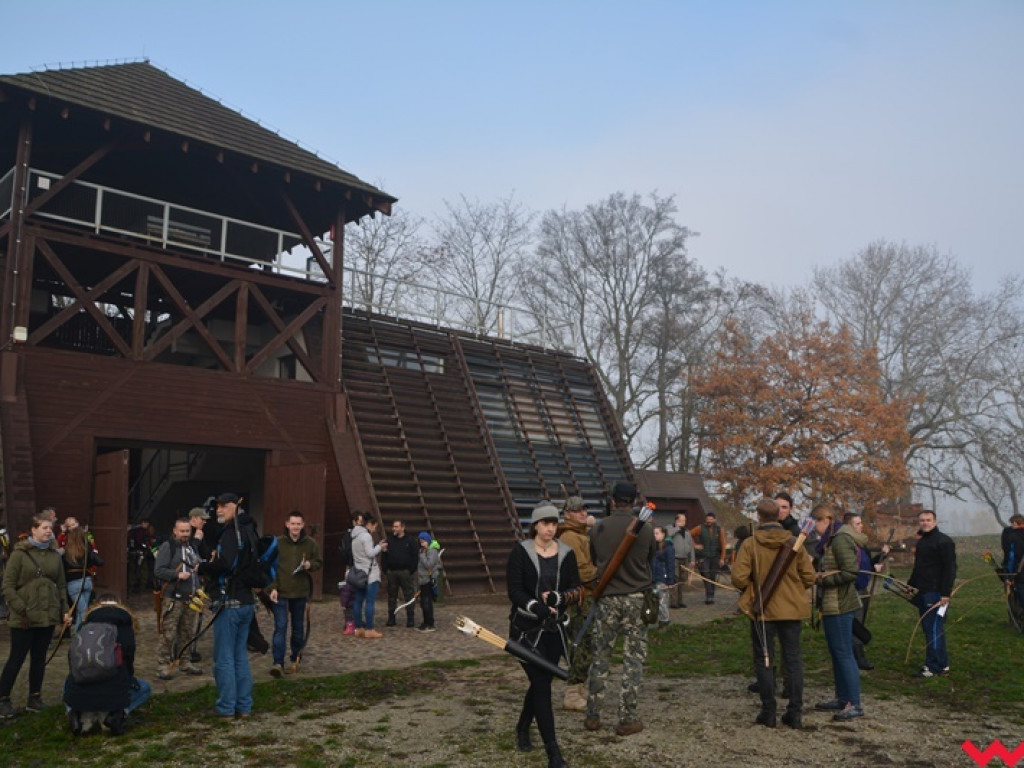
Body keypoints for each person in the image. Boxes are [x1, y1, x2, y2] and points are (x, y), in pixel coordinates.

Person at [732, 498, 816, 729]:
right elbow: (810, 577)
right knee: (794, 661)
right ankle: (794, 713)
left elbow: (738, 578)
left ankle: (768, 712)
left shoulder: (749, 544)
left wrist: (754, 588)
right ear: (778, 516)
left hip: (763, 611)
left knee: (764, 661)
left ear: (758, 517)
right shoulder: (795, 542)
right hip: (791, 610)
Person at [508, 503, 580, 768]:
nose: (551, 528)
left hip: (554, 630)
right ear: (535, 525)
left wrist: (560, 598)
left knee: (542, 681)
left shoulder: (567, 553)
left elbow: (576, 588)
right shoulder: (521, 552)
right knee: (541, 683)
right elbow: (514, 591)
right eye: (546, 523)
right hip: (526, 630)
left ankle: (523, 725)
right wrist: (536, 606)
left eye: (554, 523)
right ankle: (553, 753)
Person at [584, 482, 655, 737]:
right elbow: (650, 558)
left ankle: (592, 715)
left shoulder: (598, 528)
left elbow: (594, 560)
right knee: (633, 659)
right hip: (636, 598)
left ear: (613, 500)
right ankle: (627, 717)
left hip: (607, 598)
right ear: (634, 501)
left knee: (600, 656)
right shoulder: (645, 529)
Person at [0, 513, 70, 719]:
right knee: (16, 658)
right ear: (33, 530)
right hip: (24, 618)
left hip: (47, 615)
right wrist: (21, 607)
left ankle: (35, 698)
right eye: (44, 527)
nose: (49, 531)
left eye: (50, 528)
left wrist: (64, 609)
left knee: (39, 659)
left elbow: (61, 585)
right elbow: (8, 586)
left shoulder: (55, 555)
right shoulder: (19, 554)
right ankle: (3, 699)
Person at [195, 492, 256, 719]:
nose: (219, 510)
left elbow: (227, 564)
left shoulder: (232, 533)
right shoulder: (249, 531)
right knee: (239, 656)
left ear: (236, 506)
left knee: (224, 659)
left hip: (229, 603)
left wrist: (203, 567)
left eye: (224, 506)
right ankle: (244, 706)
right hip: (246, 602)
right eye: (218, 506)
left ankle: (227, 708)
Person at [63, 594, 151, 735]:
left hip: (81, 685)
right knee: (145, 687)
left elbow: (73, 659)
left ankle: (79, 716)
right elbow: (128, 661)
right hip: (113, 686)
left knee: (67, 682)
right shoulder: (125, 624)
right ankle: (115, 715)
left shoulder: (84, 625)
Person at [814, 505, 866, 721]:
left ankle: (854, 703)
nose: (813, 527)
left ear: (825, 520)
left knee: (844, 653)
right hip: (830, 605)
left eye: (815, 521)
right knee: (837, 653)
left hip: (841, 605)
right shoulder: (831, 540)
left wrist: (823, 579)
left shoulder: (841, 539)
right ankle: (842, 697)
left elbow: (851, 572)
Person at [269, 511, 322, 677]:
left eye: (298, 524)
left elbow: (318, 562)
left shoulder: (310, 543)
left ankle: (295, 658)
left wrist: (309, 565)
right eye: (293, 523)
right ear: (287, 524)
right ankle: (277, 662)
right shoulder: (277, 543)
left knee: (298, 628)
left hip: (300, 592)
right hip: (280, 592)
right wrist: (272, 588)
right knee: (281, 627)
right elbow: (270, 567)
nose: (295, 527)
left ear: (303, 525)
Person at [556, 496, 597, 711]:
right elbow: (582, 569)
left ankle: (579, 688)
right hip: (580, 597)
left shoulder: (580, 535)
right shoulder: (571, 536)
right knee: (582, 643)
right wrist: (602, 575)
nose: (582, 513)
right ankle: (572, 692)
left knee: (586, 644)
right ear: (567, 513)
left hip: (586, 595)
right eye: (576, 510)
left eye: (583, 509)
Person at [907, 510, 957, 678]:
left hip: (936, 593)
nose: (925, 523)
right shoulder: (922, 542)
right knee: (930, 629)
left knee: (934, 629)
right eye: (922, 520)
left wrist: (945, 593)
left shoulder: (944, 542)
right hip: (923, 591)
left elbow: (950, 569)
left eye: (928, 520)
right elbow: (919, 567)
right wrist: (911, 584)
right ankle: (942, 665)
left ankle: (933, 666)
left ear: (935, 521)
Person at [153, 518, 204, 679]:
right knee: (169, 632)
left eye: (187, 531)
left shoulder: (192, 547)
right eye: (182, 531)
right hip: (173, 598)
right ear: (175, 531)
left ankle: (185, 662)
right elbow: (158, 570)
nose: (185, 534)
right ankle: (163, 664)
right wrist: (176, 575)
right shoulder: (168, 547)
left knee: (188, 632)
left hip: (191, 597)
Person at [351, 512, 387, 639]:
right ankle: (369, 629)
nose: (375, 529)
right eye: (374, 526)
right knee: (370, 601)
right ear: (369, 524)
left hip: (359, 573)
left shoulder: (354, 536)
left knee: (358, 601)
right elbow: (370, 553)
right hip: (370, 574)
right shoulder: (366, 536)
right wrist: (380, 546)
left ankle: (359, 627)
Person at [63, 527, 105, 631]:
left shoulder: (66, 552)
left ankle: (79, 635)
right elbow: (100, 562)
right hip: (86, 581)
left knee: (82, 611)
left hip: (73, 583)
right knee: (82, 611)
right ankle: (80, 634)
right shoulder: (87, 550)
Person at [383, 519, 419, 629]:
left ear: (402, 528)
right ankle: (391, 618)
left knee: (408, 595)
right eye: (393, 526)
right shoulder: (389, 540)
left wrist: (411, 570)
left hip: (405, 572)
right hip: (392, 572)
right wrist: (385, 570)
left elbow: (415, 556)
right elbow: (384, 555)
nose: (394, 529)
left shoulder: (410, 540)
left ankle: (410, 619)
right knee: (392, 596)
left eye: (396, 526)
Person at [690, 509, 727, 604]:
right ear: (705, 520)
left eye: (711, 519)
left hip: (715, 556)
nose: (709, 521)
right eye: (708, 519)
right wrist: (695, 544)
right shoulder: (700, 528)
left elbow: (723, 544)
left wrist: (722, 558)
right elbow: (689, 534)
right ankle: (708, 596)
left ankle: (711, 596)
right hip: (704, 556)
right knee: (706, 575)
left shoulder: (719, 529)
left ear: (714, 520)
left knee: (713, 576)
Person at [665, 513, 696, 609]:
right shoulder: (669, 528)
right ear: (677, 521)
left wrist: (692, 559)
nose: (684, 522)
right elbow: (667, 536)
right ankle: (673, 602)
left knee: (682, 581)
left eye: (685, 520)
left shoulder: (686, 532)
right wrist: (677, 528)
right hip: (674, 558)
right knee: (674, 580)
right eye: (682, 520)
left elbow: (691, 546)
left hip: (684, 558)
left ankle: (680, 601)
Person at [651, 526, 676, 628]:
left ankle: (665, 620)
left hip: (663, 577)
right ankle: (656, 619)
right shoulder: (654, 547)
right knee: (654, 599)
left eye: (657, 533)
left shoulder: (669, 548)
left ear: (663, 534)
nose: (654, 536)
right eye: (654, 533)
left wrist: (670, 580)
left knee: (663, 600)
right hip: (654, 577)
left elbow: (670, 565)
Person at [415, 532, 440, 632]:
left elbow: (429, 565)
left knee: (426, 602)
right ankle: (425, 622)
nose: (422, 544)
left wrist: (421, 555)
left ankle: (430, 623)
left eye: (423, 542)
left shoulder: (432, 551)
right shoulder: (425, 550)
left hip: (428, 580)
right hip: (422, 579)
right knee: (424, 602)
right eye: (420, 542)